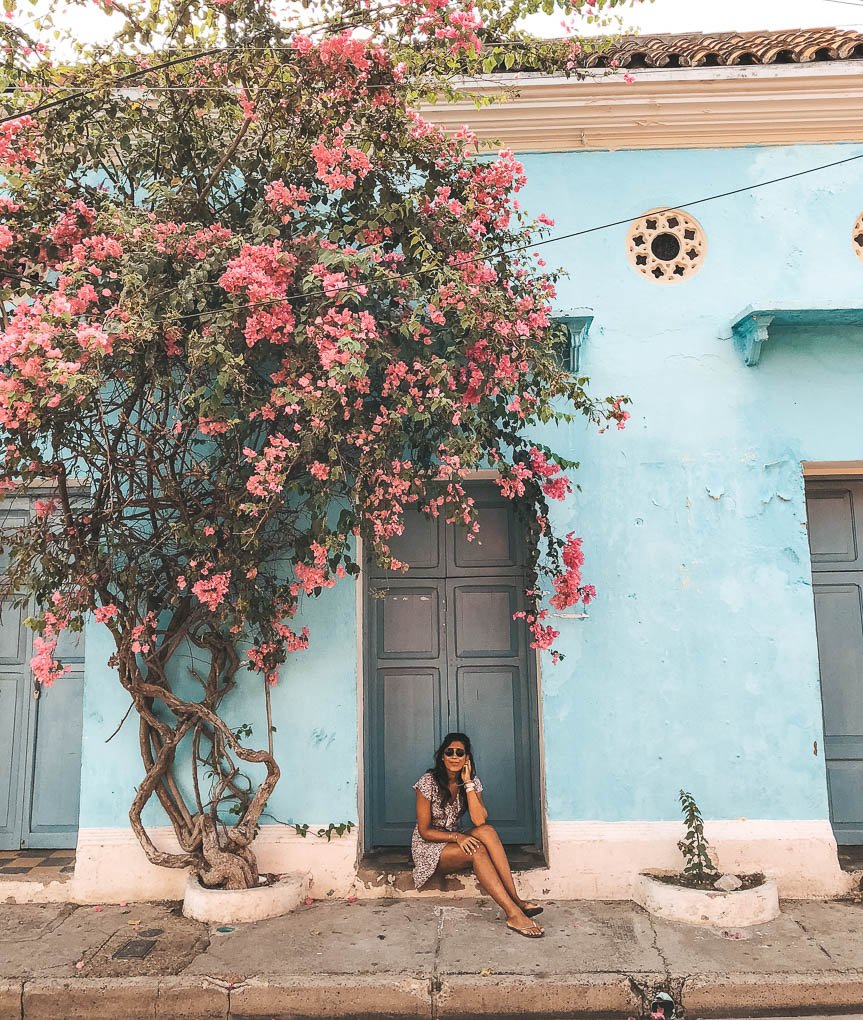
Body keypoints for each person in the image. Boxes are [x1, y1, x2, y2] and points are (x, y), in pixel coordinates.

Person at [411, 732, 544, 937]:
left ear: (467, 758)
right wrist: (458, 837)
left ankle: (516, 900)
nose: (455, 757)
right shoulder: (428, 782)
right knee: (477, 851)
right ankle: (513, 913)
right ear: (442, 757)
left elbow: (480, 820)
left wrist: (468, 784)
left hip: (453, 839)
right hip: (428, 847)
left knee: (487, 831)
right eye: (450, 752)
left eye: (460, 753)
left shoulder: (471, 781)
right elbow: (425, 831)